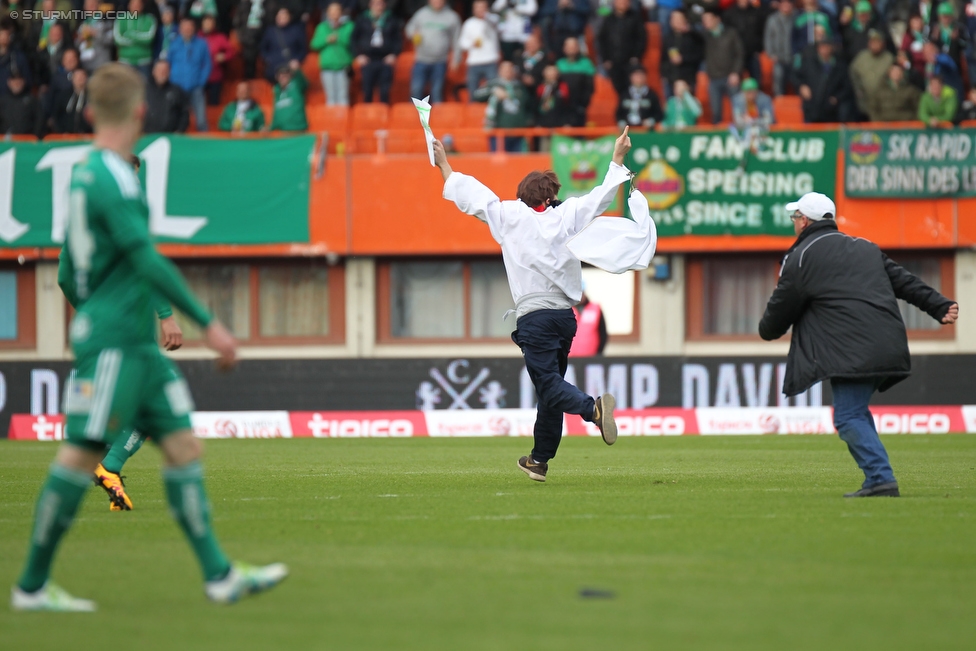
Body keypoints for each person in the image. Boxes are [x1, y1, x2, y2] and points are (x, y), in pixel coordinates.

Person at [10, 62, 287, 612]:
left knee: (183, 445)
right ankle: (31, 587)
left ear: (89, 113)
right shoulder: (115, 178)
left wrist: (92, 307)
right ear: (141, 111)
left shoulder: (84, 175)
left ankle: (219, 576)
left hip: (129, 337)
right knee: (79, 455)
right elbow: (145, 258)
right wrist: (209, 324)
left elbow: (70, 269)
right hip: (117, 340)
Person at [433, 128, 626, 483]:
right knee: (550, 388)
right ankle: (539, 460)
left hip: (535, 317)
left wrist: (444, 162)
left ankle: (593, 409)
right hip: (566, 319)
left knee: (549, 386)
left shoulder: (509, 215)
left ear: (523, 197)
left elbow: (470, 195)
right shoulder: (567, 216)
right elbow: (601, 199)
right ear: (551, 197)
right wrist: (616, 160)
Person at [759, 191, 958, 498]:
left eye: (795, 217)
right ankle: (877, 478)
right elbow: (904, 281)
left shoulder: (803, 256)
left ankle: (880, 478)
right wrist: (939, 305)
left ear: (805, 220)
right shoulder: (865, 248)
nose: (793, 223)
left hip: (848, 349)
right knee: (856, 412)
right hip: (886, 342)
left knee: (847, 416)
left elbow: (782, 306)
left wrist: (767, 330)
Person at [405, 0, 461, 103]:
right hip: (421, 60)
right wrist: (413, 34)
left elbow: (456, 40)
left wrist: (456, 59)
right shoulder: (421, 14)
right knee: (416, 90)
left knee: (437, 92)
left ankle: (436, 118)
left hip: (440, 61)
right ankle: (414, 118)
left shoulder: (452, 17)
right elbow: (409, 28)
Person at [352, 0, 403, 104]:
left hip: (385, 60)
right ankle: (367, 117)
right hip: (367, 59)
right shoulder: (362, 19)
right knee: (367, 92)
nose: (378, 7)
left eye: (380, 4)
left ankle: (384, 117)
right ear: (370, 5)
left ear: (384, 5)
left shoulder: (391, 19)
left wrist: (394, 54)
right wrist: (358, 55)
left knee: (385, 92)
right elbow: (354, 39)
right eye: (375, 4)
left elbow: (398, 39)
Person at [794, 36, 855, 123]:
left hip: (831, 112)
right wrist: (801, 86)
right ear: (818, 48)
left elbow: (847, 87)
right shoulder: (809, 63)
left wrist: (837, 98)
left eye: (827, 46)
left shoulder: (840, 66)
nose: (824, 49)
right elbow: (796, 76)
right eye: (822, 47)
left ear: (832, 48)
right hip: (811, 108)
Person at [168, 17, 211, 131]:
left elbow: (207, 64)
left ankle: (205, 144)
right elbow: (168, 63)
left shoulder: (201, 44)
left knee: (201, 120)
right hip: (177, 87)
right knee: (176, 119)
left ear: (194, 28)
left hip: (196, 88)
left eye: (190, 26)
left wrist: (201, 82)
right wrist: (171, 81)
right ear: (180, 29)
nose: (187, 29)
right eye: (184, 27)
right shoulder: (173, 44)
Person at [597, 0, 647, 99]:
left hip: (630, 61)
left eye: (625, 2)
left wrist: (636, 56)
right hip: (614, 61)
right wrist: (605, 59)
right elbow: (601, 40)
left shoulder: (635, 17)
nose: (622, 3)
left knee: (631, 89)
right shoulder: (609, 19)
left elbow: (641, 38)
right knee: (618, 89)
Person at [477, 60, 530, 151]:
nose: (508, 72)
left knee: (519, 162)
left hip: (518, 131)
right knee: (499, 162)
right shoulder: (493, 84)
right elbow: (477, 95)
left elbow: (527, 104)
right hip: (498, 131)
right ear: (500, 71)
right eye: (505, 70)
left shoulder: (519, 86)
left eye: (510, 70)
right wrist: (493, 91)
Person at [702, 9, 743, 124]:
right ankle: (717, 134)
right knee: (716, 112)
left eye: (709, 19)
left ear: (717, 19)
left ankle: (741, 134)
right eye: (704, 20)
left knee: (738, 110)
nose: (706, 22)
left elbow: (739, 54)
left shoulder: (731, 33)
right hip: (714, 78)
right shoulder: (705, 36)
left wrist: (735, 72)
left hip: (730, 77)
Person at [311, 2, 355, 106]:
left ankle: (343, 121)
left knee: (343, 97)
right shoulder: (321, 27)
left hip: (343, 66)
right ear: (327, 13)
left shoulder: (349, 26)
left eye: (337, 10)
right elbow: (314, 45)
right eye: (332, 11)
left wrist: (338, 36)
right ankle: (331, 121)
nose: (334, 13)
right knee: (330, 98)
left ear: (341, 12)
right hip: (327, 67)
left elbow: (352, 43)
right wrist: (326, 40)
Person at [459, 0, 501, 98]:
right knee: (473, 92)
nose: (480, 10)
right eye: (478, 7)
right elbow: (462, 43)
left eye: (483, 7)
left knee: (493, 91)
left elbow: (495, 22)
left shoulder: (493, 19)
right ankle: (472, 112)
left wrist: (486, 16)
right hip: (474, 62)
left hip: (491, 60)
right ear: (474, 9)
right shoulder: (469, 23)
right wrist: (471, 44)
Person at [850, 29, 894, 120]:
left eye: (877, 42)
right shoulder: (861, 57)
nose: (874, 44)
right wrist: (858, 89)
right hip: (863, 103)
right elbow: (853, 74)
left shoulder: (889, 59)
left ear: (882, 43)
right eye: (872, 42)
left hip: (884, 104)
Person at [660, 10, 704, 98]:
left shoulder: (692, 36)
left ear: (685, 20)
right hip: (671, 78)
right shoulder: (668, 37)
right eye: (673, 18)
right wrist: (664, 74)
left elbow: (700, 55)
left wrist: (683, 59)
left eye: (678, 18)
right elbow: (663, 58)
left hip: (687, 78)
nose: (675, 21)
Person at [260, 8, 306, 83]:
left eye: (285, 16)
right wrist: (269, 59)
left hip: (291, 68)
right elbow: (263, 49)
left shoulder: (297, 30)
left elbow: (303, 50)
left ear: (289, 17)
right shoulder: (270, 31)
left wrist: (297, 60)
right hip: (274, 68)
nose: (282, 18)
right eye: (280, 16)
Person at [556, 36, 594, 126]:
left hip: (579, 107)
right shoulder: (559, 64)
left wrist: (583, 104)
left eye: (574, 46)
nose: (571, 49)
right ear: (564, 48)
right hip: (562, 107)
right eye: (569, 46)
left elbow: (590, 87)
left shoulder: (586, 64)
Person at [723, 0, 765, 84]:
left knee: (756, 80)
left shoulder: (757, 12)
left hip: (752, 52)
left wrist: (759, 48)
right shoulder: (730, 14)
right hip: (736, 55)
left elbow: (762, 32)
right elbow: (726, 34)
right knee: (737, 82)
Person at [114, 0, 158, 77]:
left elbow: (148, 39)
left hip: (144, 62)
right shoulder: (121, 19)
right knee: (125, 88)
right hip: (125, 61)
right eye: (133, 4)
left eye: (138, 4)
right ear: (129, 6)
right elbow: (117, 39)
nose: (136, 6)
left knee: (144, 88)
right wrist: (139, 38)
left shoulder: (150, 19)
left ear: (142, 6)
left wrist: (130, 34)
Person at [144, 59, 190, 133]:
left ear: (169, 72)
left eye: (165, 70)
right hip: (148, 137)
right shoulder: (144, 90)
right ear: (153, 71)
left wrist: (180, 131)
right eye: (159, 70)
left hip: (171, 137)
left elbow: (184, 113)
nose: (162, 73)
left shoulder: (177, 91)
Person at [201, 15, 235, 107]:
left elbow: (231, 51)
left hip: (215, 75)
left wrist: (224, 56)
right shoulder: (197, 37)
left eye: (210, 23)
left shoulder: (220, 37)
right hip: (199, 76)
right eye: (206, 23)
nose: (208, 25)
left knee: (214, 105)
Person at [764, 0, 794, 96]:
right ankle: (779, 102)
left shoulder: (796, 18)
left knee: (796, 83)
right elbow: (768, 38)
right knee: (778, 82)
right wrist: (771, 54)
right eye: (783, 3)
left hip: (793, 57)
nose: (786, 6)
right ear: (779, 5)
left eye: (788, 4)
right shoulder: (772, 19)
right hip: (778, 58)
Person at [76, 0, 115, 73]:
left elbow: (111, 40)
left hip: (101, 65)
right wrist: (79, 40)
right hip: (86, 65)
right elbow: (77, 45)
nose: (91, 6)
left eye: (93, 4)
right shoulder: (83, 24)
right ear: (84, 7)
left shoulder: (106, 20)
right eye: (88, 4)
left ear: (98, 5)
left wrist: (95, 33)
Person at [270, 60, 308, 131]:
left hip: (299, 130)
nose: (283, 76)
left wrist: (297, 71)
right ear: (277, 77)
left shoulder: (297, 85)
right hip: (283, 132)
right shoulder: (277, 91)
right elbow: (277, 114)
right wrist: (270, 128)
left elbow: (303, 82)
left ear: (290, 75)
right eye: (280, 74)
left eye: (286, 74)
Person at [0, 71, 42, 136]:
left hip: (27, 140)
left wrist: (35, 137)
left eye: (19, 82)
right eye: (14, 81)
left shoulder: (32, 100)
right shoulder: (2, 101)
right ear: (9, 82)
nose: (16, 84)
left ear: (23, 82)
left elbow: (39, 120)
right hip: (5, 141)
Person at [235, 0, 266, 80]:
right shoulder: (244, 4)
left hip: (264, 38)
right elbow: (237, 22)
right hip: (248, 39)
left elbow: (270, 20)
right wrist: (242, 37)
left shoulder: (268, 4)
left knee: (266, 64)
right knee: (249, 65)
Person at [569, 290, 607, 357]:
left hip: (591, 357)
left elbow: (603, 333)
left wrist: (599, 353)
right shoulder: (567, 310)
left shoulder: (595, 309)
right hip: (569, 358)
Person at [535, 63, 573, 128]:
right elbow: (537, 105)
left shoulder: (563, 86)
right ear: (544, 73)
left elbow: (566, 103)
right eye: (549, 72)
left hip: (560, 123)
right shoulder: (540, 88)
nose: (551, 74)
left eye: (553, 71)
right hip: (544, 123)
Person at [0, 25, 32, 95]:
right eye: (1, 35)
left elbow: (27, 80)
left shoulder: (19, 57)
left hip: (12, 99)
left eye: (6, 35)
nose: (3, 38)